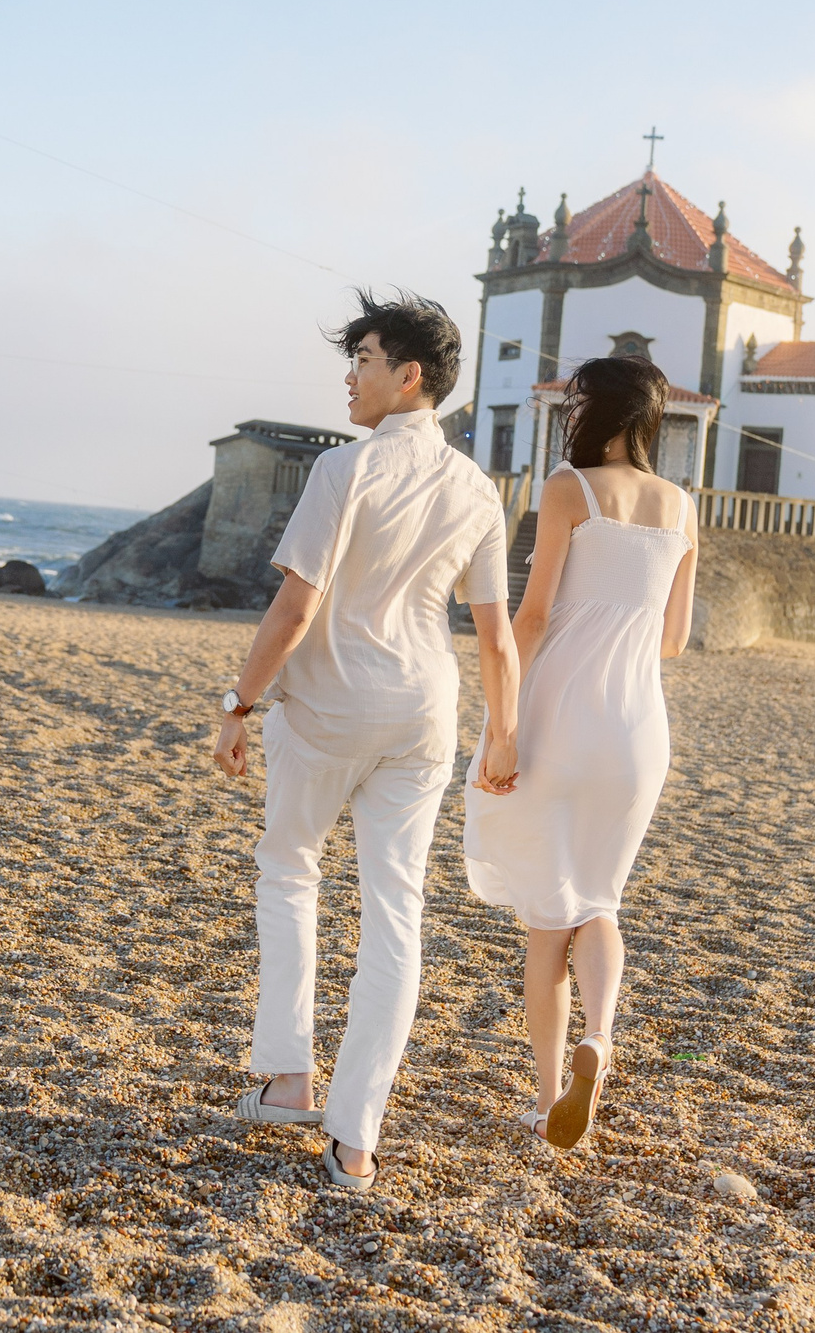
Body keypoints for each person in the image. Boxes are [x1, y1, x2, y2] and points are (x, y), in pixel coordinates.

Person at [213, 291, 518, 1192]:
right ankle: (356, 1137)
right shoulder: (477, 487)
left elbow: (296, 606)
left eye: (366, 359)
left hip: (326, 711)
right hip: (426, 713)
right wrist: (504, 733)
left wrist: (238, 703)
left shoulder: (344, 471)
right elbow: (495, 634)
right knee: (396, 911)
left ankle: (288, 1075)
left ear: (409, 374)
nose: (351, 377)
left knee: (290, 868)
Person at [463, 354, 698, 1150]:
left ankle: (549, 1093)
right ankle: (600, 1034)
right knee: (600, 900)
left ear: (589, 411)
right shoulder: (681, 507)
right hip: (638, 731)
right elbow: (673, 639)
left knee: (545, 922)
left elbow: (528, 619)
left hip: (560, 715)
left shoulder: (569, 488)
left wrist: (501, 725)